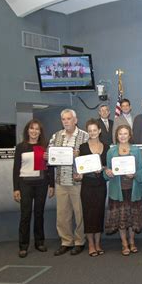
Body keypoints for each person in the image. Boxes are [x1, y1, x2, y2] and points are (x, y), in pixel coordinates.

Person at [48, 109, 89, 256]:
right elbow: (49, 156)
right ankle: (66, 241)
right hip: (61, 181)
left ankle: (79, 242)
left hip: (77, 182)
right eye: (63, 119)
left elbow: (90, 158)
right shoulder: (56, 136)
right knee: (62, 215)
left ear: (75, 120)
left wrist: (80, 155)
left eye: (69, 119)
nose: (66, 122)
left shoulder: (85, 136)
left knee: (80, 214)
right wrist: (48, 156)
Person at [13, 119, 55, 258]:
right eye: (32, 128)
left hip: (41, 184)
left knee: (39, 214)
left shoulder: (44, 146)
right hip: (25, 184)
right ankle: (23, 245)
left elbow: (50, 167)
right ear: (27, 130)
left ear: (40, 132)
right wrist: (16, 188)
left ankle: (39, 242)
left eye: (37, 129)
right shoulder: (20, 147)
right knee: (25, 215)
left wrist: (52, 184)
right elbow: (16, 169)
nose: (34, 131)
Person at [104, 124, 142, 256]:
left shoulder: (136, 151)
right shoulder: (111, 152)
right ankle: (124, 243)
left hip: (133, 190)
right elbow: (106, 173)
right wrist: (108, 172)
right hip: (118, 190)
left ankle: (132, 242)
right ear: (117, 136)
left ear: (129, 135)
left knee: (133, 218)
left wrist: (135, 175)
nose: (122, 136)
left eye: (125, 133)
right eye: (120, 134)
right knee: (121, 219)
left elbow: (141, 170)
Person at [76, 119, 109, 257]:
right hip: (87, 185)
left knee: (99, 213)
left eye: (95, 130)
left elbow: (108, 166)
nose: (92, 133)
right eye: (90, 131)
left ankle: (98, 243)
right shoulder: (82, 147)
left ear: (99, 131)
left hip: (100, 184)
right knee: (88, 214)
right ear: (87, 132)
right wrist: (78, 174)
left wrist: (102, 168)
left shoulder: (106, 147)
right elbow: (78, 168)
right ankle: (91, 244)